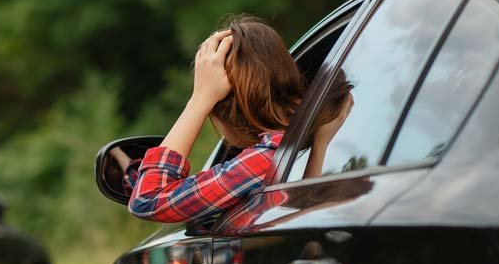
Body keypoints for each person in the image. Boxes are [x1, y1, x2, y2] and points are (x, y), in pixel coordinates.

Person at [125, 16, 354, 223]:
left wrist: (199, 100)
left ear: (221, 111)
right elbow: (304, 214)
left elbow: (148, 200)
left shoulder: (263, 160)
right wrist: (320, 146)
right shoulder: (295, 148)